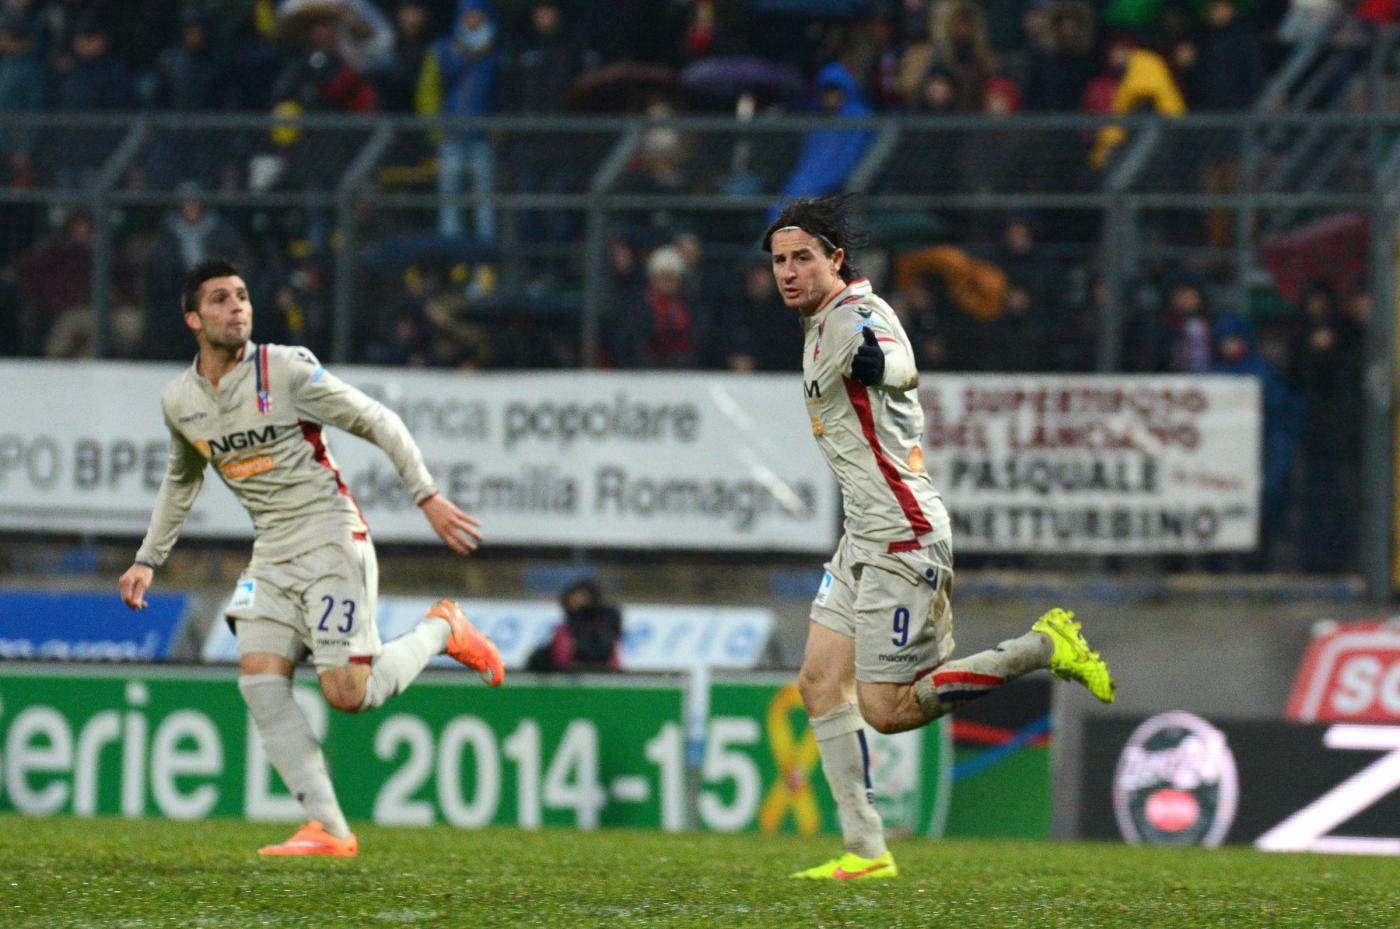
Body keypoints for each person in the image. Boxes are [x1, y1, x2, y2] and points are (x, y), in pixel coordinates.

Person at [762, 196, 1115, 880]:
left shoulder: (859, 316)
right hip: (863, 534)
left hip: (903, 536)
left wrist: (879, 368)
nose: (789, 272)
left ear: (836, 259)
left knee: (887, 710)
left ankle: (1043, 646)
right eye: (780, 261)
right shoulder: (817, 322)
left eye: (802, 257)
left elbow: (897, 361)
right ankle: (866, 851)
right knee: (818, 681)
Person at [118, 258, 504, 858]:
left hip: (329, 539)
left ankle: (442, 629)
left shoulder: (285, 368)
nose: (237, 307)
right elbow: (182, 478)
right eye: (220, 299)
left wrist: (425, 494)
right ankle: (330, 829)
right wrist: (149, 557)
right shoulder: (180, 401)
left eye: (243, 295)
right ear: (193, 319)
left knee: (348, 694)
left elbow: (378, 420)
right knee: (258, 680)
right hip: (271, 552)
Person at [525, 579, 623, 672]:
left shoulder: (606, 624)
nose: (577, 601)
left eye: (582, 597)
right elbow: (560, 657)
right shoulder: (565, 628)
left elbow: (610, 656)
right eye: (573, 598)